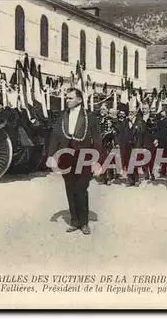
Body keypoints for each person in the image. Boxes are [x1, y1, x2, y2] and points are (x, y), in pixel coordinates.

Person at [46, 88, 101, 235]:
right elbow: (55, 136)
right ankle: (74, 221)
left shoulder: (90, 117)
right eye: (67, 98)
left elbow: (97, 140)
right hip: (66, 157)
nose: (67, 100)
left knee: (81, 188)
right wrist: (51, 155)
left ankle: (84, 223)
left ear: (79, 100)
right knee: (70, 188)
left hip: (84, 156)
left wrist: (97, 162)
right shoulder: (62, 116)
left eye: (70, 98)